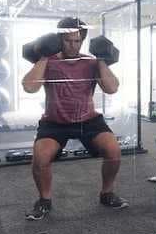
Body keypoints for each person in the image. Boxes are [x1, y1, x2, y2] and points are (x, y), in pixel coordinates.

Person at [22, 17, 127, 221]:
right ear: (59, 40)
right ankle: (44, 201)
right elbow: (29, 86)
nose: (73, 45)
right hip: (54, 122)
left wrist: (102, 60)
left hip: (88, 121)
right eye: (68, 41)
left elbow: (112, 88)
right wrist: (43, 56)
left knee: (113, 150)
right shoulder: (49, 61)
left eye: (77, 41)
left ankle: (107, 193)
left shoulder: (91, 62)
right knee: (40, 157)